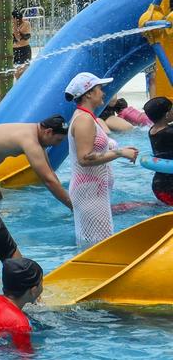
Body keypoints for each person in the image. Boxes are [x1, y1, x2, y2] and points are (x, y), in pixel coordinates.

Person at [66, 73, 137, 246]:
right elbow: (85, 159)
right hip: (89, 192)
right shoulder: (84, 120)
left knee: (95, 241)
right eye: (99, 89)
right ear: (88, 93)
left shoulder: (87, 117)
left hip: (93, 190)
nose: (103, 93)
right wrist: (120, 153)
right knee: (99, 243)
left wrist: (114, 148)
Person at [144, 97, 173, 205]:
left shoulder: (152, 130)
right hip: (169, 187)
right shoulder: (169, 133)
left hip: (159, 185)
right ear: (167, 114)